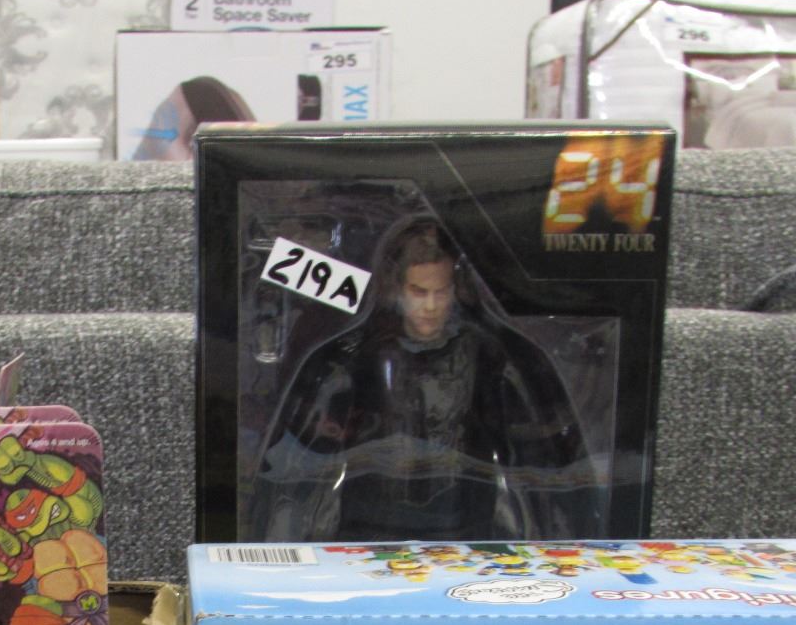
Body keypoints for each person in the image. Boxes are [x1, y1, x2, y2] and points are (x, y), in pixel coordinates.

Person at [248, 216, 588, 541]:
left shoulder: (487, 356)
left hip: (464, 529)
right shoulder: (355, 356)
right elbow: (299, 466)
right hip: (368, 530)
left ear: (456, 290)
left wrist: (555, 544)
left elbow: (535, 460)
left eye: (441, 292)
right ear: (398, 289)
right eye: (419, 292)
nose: (430, 306)